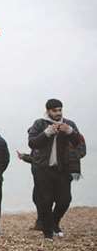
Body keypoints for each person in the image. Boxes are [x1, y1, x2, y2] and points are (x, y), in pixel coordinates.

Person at [28, 99, 82, 239]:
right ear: (48, 111)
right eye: (55, 110)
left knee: (65, 200)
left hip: (63, 169)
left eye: (60, 110)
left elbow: (79, 143)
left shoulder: (69, 124)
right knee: (45, 201)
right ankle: (48, 233)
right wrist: (47, 133)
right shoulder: (39, 123)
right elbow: (32, 143)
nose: (58, 113)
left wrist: (70, 131)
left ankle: (54, 223)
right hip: (43, 168)